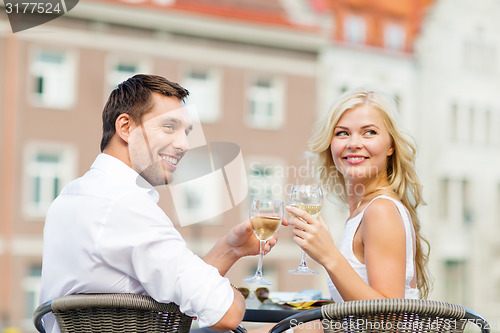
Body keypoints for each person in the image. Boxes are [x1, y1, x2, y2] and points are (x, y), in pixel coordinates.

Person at [39, 74, 278, 333]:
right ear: (126, 128)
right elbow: (226, 314)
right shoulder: (125, 204)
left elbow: (173, 289)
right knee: (295, 329)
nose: (184, 144)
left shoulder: (72, 196)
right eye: (169, 127)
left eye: (186, 132)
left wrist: (229, 249)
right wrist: (229, 291)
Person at [287, 88, 430, 303]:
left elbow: (387, 321)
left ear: (391, 145)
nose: (353, 143)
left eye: (369, 132)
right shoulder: (363, 210)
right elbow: (356, 313)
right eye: (342, 133)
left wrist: (328, 255)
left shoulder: (380, 211)